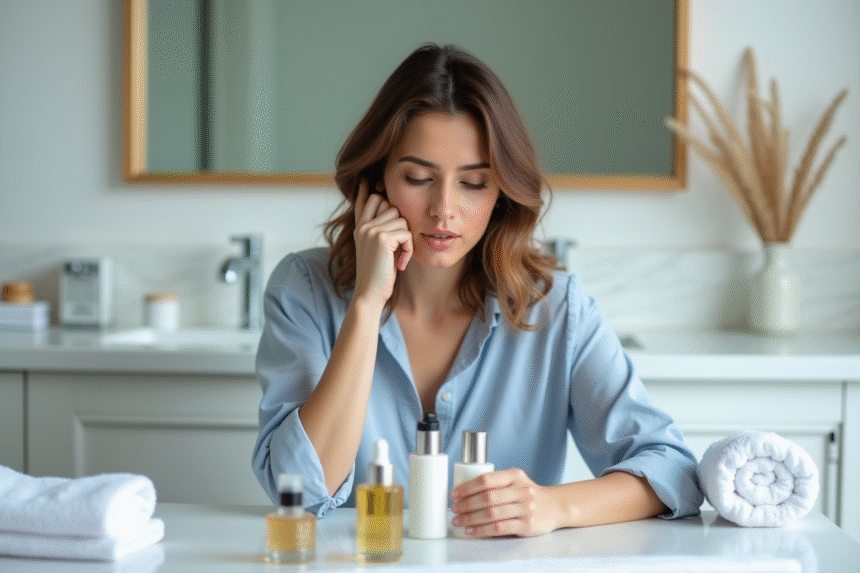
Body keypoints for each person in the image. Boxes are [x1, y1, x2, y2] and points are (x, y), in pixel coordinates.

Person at [253, 43, 702, 537]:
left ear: (502, 192)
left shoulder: (557, 309)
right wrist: (365, 303)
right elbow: (299, 488)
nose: (443, 210)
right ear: (375, 181)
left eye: (473, 183)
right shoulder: (305, 288)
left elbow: (669, 470)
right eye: (418, 178)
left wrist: (555, 507)